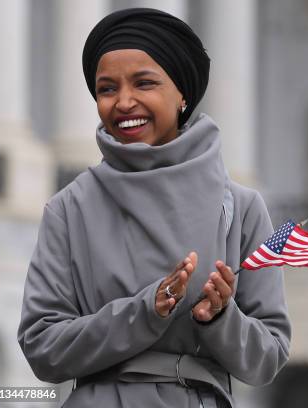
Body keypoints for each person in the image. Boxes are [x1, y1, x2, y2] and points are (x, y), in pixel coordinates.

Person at [17, 8, 291, 408]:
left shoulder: (242, 208)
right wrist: (146, 310)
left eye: (144, 83)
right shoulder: (69, 208)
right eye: (107, 89)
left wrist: (219, 317)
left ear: (182, 93)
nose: (123, 102)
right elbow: (42, 345)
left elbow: (267, 358)